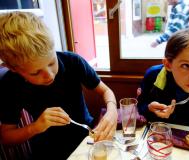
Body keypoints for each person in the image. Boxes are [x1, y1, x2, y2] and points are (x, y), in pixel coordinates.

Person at [0, 11, 118, 160]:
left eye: (51, 62)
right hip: (48, 151)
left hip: (86, 140)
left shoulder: (72, 61)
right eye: (36, 72)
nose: (49, 75)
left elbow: (105, 91)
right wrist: (35, 127)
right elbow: (6, 138)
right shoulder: (11, 83)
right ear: (14, 69)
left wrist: (112, 110)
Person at [138, 28, 189, 130]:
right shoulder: (153, 76)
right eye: (185, 65)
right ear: (168, 64)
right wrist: (149, 109)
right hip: (161, 137)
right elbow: (139, 107)